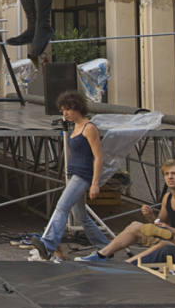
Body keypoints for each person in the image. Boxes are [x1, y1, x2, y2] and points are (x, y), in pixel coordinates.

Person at [29, 91, 108, 260]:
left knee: (62, 206)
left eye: (68, 110)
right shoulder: (75, 127)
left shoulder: (89, 128)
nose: (65, 113)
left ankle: (48, 244)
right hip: (74, 174)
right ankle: (105, 248)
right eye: (63, 110)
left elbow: (99, 156)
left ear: (78, 108)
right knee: (81, 217)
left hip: (83, 175)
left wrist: (95, 183)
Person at [76, 158, 175, 261]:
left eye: (174, 174)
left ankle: (129, 264)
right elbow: (160, 223)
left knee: (163, 245)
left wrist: (171, 230)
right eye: (167, 174)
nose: (170, 177)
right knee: (135, 226)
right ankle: (102, 254)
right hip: (170, 237)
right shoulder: (167, 197)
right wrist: (151, 217)